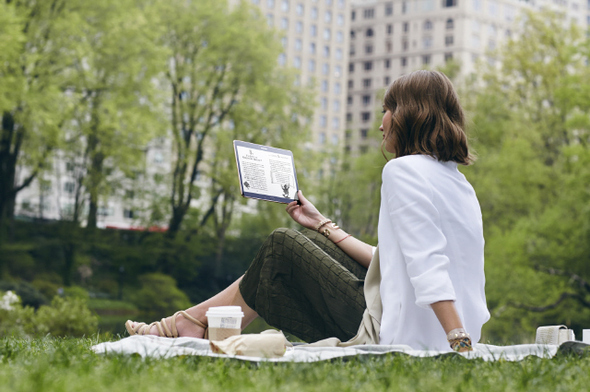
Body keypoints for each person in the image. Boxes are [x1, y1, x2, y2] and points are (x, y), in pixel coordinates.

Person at [126, 70, 490, 352]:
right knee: (306, 240)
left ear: (409, 114)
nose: (381, 123)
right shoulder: (459, 184)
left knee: (281, 246)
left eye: (387, 110)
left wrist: (457, 344)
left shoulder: (402, 170)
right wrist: (323, 225)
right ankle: (192, 321)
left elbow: (426, 266)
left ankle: (188, 323)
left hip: (404, 333)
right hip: (443, 327)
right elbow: (398, 261)